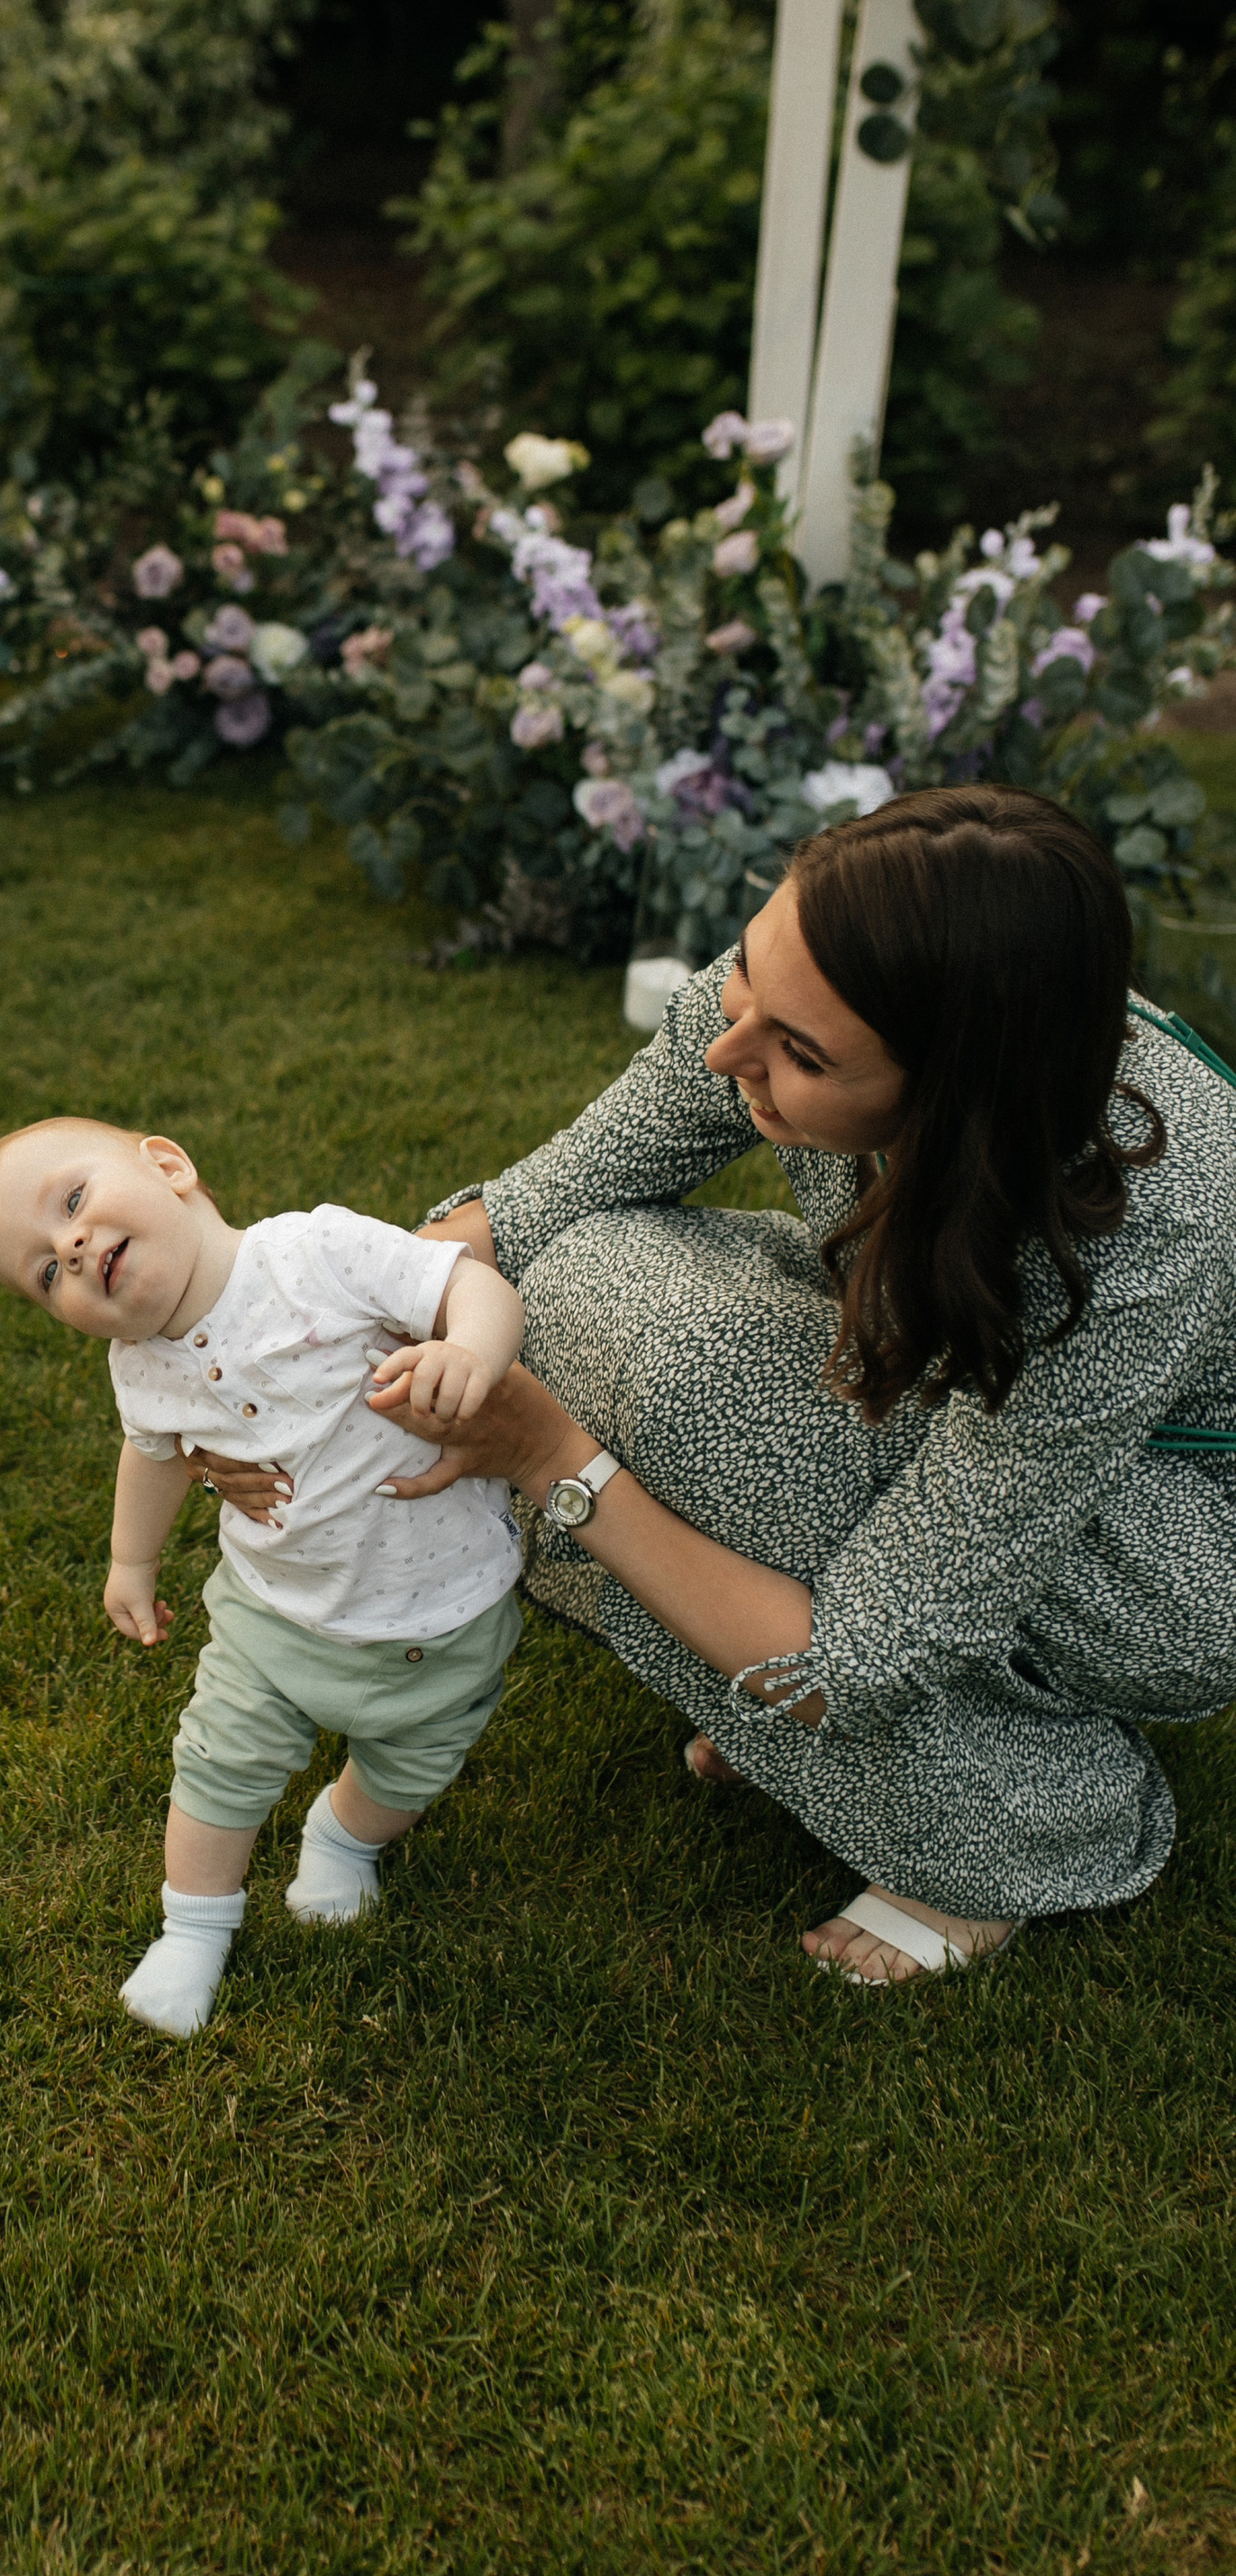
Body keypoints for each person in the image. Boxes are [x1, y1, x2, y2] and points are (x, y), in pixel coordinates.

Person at [192, 787, 1236, 1984]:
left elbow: (864, 1659)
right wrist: (286, 1365)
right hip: (939, 1354)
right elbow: (548, 1201)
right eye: (747, 974)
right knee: (571, 1291)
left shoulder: (1145, 1227)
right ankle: (774, 1681)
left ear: (954, 1096)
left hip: (1177, 1546)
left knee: (677, 1385)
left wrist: (553, 1463)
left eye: (800, 1056)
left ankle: (1029, 1825)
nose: (726, 1048)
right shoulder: (830, 967)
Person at [0, 1118, 528, 2036]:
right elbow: (155, 1457)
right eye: (45, 1272)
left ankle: (341, 1839)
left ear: (169, 1166)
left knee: (410, 1768)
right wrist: (129, 1561)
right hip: (273, 1611)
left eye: (71, 1203)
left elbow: (470, 1284)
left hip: (443, 1603)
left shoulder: (318, 1251)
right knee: (216, 1766)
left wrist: (472, 1351)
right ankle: (194, 1927)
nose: (69, 1246)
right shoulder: (137, 1367)